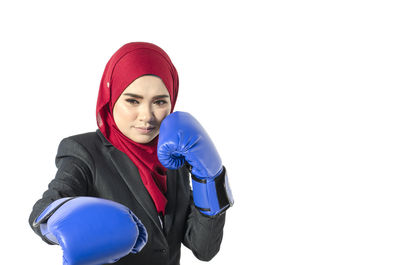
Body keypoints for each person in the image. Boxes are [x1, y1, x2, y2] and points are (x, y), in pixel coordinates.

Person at [28, 42, 234, 265]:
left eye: (159, 102)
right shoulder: (84, 152)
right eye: (132, 100)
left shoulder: (175, 154)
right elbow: (42, 212)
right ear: (111, 96)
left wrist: (210, 179)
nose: (147, 115)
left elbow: (204, 249)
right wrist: (61, 220)